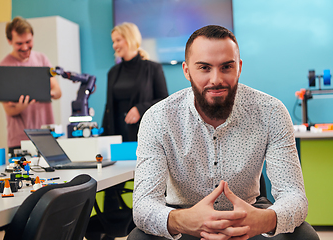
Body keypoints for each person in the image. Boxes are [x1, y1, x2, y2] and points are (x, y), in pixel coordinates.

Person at [129, 25, 319, 240]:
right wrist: (184, 221)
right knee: (138, 238)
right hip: (184, 218)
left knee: (305, 236)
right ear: (186, 70)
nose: (216, 79)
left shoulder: (271, 112)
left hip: (248, 215)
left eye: (226, 67)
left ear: (239, 67)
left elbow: (294, 196)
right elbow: (143, 206)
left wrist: (263, 220)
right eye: (204, 67)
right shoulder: (158, 118)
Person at [0, 16, 62, 155]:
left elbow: (57, 92)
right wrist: (21, 106)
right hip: (19, 140)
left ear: (33, 37)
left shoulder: (42, 59)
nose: (25, 47)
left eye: (28, 41)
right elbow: (9, 110)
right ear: (10, 41)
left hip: (47, 136)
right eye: (19, 43)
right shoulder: (4, 66)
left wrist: (41, 92)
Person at [102, 22, 168, 142]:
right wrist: (104, 139)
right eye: (113, 41)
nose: (114, 45)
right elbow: (109, 107)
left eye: (118, 40)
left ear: (130, 39)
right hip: (118, 136)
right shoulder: (112, 72)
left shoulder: (153, 68)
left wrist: (140, 109)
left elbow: (164, 101)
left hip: (145, 135)